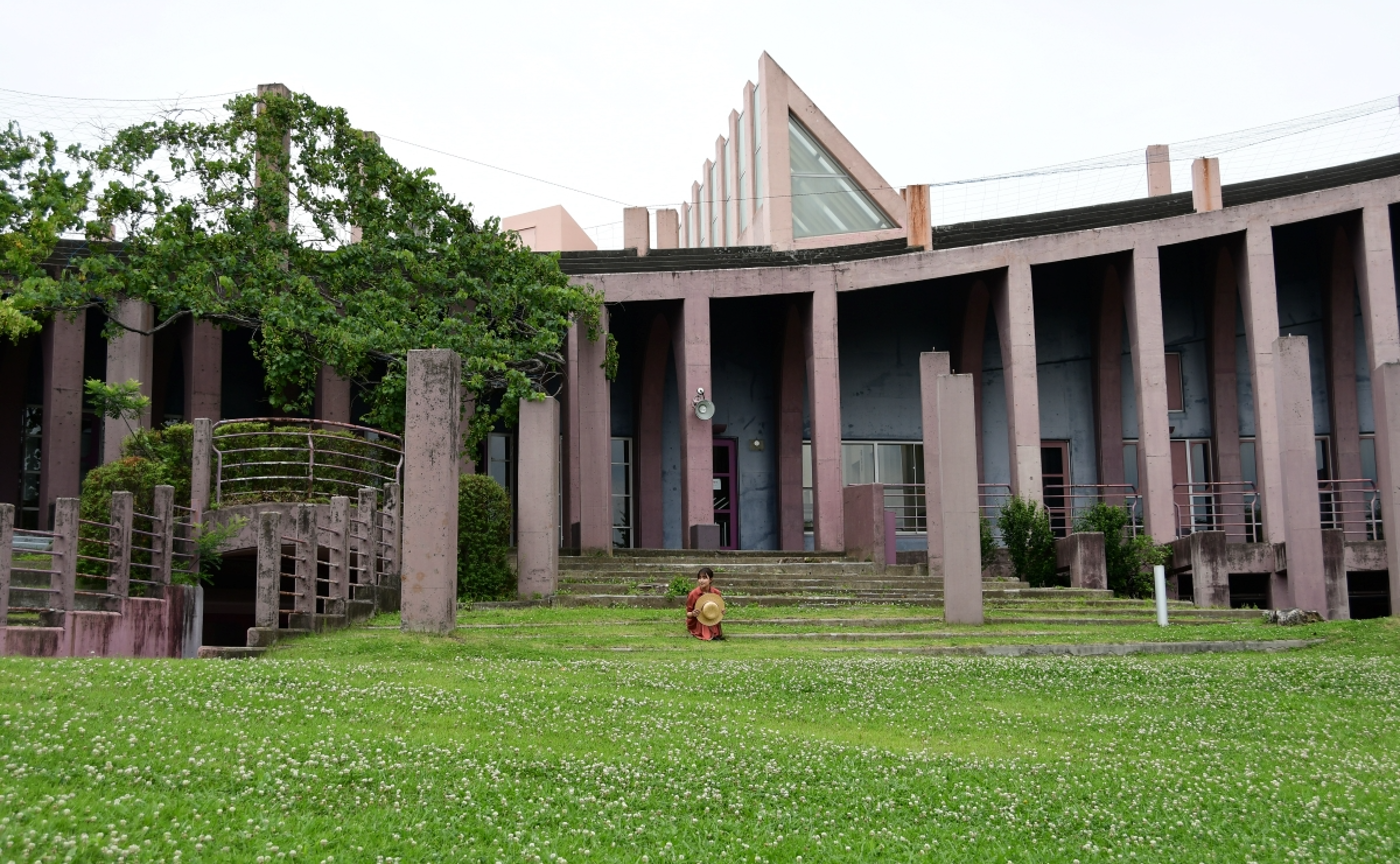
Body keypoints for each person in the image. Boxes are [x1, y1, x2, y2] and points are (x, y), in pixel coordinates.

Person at [685, 567, 724, 641]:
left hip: (711, 618)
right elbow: (688, 614)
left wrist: (721, 612)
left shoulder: (716, 593)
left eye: (704, 578)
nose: (701, 580)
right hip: (696, 621)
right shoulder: (693, 594)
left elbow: (719, 610)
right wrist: (693, 614)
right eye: (699, 578)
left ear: (711, 580)